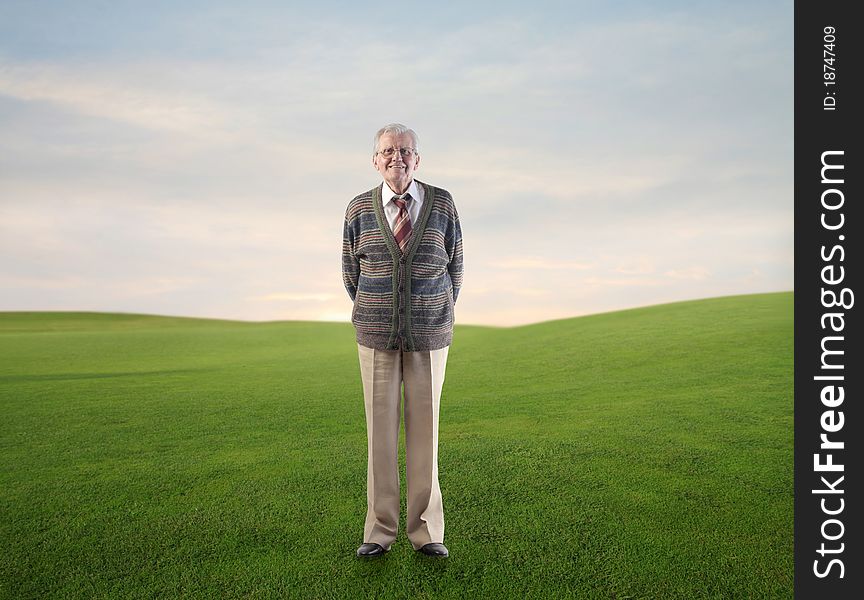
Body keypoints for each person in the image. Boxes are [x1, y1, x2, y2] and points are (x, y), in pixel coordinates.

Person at [341, 123, 463, 558]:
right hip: (375, 336)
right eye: (388, 151)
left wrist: (432, 311)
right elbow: (351, 274)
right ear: (376, 160)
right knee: (380, 434)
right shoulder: (358, 208)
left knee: (425, 432)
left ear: (418, 158)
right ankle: (379, 530)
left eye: (406, 151)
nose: (397, 157)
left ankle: (427, 532)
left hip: (430, 334)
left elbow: (456, 268)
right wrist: (379, 310)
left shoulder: (443, 203)